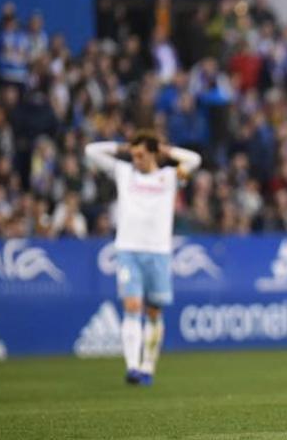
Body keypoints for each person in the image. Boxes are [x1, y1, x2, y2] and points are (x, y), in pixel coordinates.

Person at [85, 131, 201, 386]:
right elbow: (91, 152)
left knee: (153, 311)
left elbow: (195, 160)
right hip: (128, 250)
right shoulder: (125, 172)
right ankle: (132, 367)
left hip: (159, 252)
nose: (135, 159)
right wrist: (121, 147)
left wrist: (167, 151)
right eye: (133, 154)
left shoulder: (169, 176)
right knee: (132, 306)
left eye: (140, 154)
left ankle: (148, 365)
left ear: (153, 153)